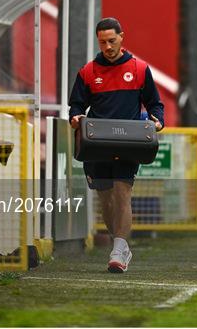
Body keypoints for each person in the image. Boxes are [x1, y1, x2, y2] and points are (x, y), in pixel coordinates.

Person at [69, 17, 164, 273]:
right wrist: (75, 117)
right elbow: (76, 104)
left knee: (122, 192)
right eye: (103, 42)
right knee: (106, 198)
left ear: (122, 37)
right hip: (97, 143)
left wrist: (158, 121)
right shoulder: (88, 71)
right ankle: (119, 245)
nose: (108, 46)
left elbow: (155, 104)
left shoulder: (140, 68)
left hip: (128, 142)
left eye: (112, 40)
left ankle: (119, 250)